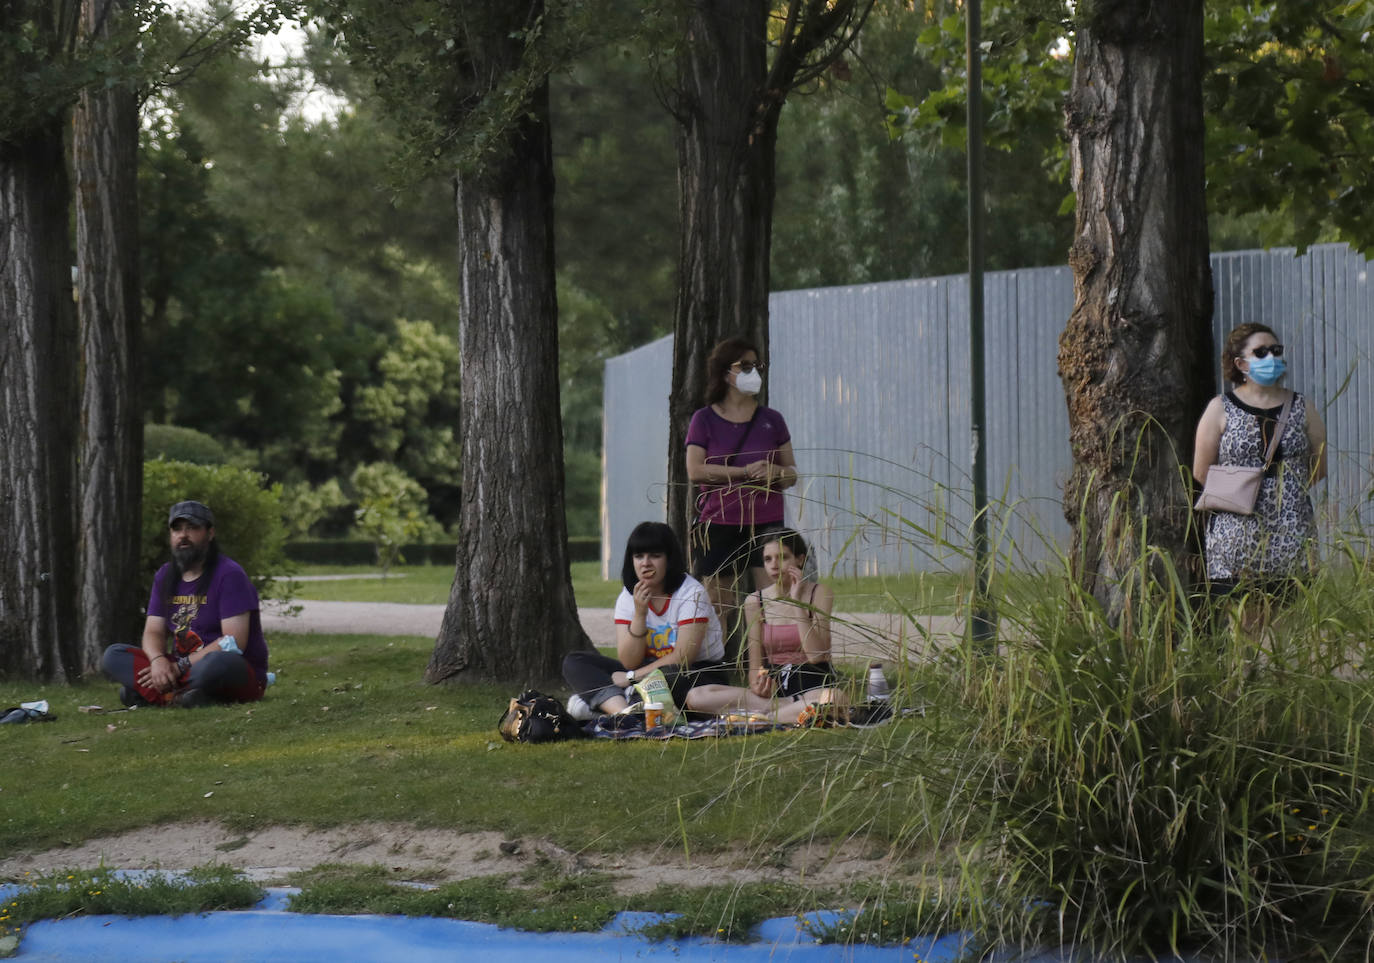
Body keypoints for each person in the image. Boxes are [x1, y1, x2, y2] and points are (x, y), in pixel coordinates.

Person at [1193, 323, 1327, 631]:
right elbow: (1202, 471)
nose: (1271, 358)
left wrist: (1285, 493)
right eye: (1261, 352)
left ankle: (1283, 680)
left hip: (1291, 534)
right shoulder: (1220, 408)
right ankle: (1243, 680)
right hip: (1236, 537)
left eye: (1276, 351)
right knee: (1245, 627)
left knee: (1287, 627)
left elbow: (1318, 466)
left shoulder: (1303, 406)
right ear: (1240, 363)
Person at [101, 500, 270, 708]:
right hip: (181, 669)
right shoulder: (164, 575)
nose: (183, 535)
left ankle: (156, 694)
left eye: (192, 528)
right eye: (177, 529)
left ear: (210, 533)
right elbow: (153, 631)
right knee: (113, 655)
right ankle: (185, 696)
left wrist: (180, 666)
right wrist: (157, 661)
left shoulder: (230, 575)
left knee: (217, 663)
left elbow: (233, 642)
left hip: (230, 668)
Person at [684, 337, 799, 638]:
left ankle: (778, 669)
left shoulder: (772, 420)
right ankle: (719, 669)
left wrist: (776, 472)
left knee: (775, 601)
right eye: (745, 366)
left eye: (756, 366)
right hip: (719, 523)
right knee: (719, 604)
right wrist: (744, 472)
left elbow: (792, 474)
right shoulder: (704, 419)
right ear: (725, 373)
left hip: (766, 525)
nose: (753, 372)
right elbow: (695, 470)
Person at [563, 521, 729, 718]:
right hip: (645, 671)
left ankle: (609, 704)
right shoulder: (628, 596)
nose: (645, 563)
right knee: (574, 662)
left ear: (669, 559)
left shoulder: (691, 593)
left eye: (655, 556)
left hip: (694, 673)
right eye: (639, 556)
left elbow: (683, 658)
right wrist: (640, 614)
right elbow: (629, 660)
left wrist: (631, 679)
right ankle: (624, 713)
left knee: (667, 678)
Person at [685, 529, 847, 725]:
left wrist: (797, 603)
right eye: (768, 559)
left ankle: (763, 719)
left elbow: (816, 655)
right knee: (697, 696)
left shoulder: (819, 593)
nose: (774, 565)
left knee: (833, 699)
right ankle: (782, 713)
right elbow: (755, 667)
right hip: (774, 694)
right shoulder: (755, 601)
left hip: (813, 687)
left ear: (800, 559)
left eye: (782, 557)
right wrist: (758, 685)